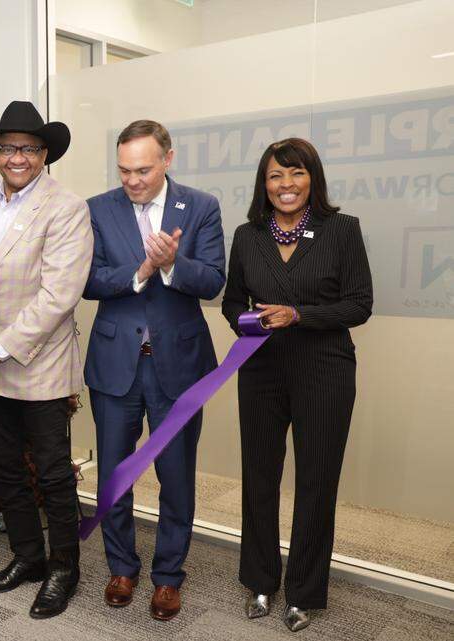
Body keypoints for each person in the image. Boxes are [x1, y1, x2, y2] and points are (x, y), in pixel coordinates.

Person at [0, 101, 92, 619]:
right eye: (8, 147)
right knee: (5, 468)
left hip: (37, 361)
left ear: (45, 154)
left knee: (51, 472)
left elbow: (59, 296)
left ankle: (64, 568)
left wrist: (1, 348)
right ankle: (28, 557)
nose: (17, 157)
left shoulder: (66, 207)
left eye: (29, 148)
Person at [222, 138, 372, 632]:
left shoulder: (342, 230)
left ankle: (304, 593)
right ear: (263, 184)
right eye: (275, 175)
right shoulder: (248, 236)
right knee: (259, 477)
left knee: (316, 481)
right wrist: (250, 321)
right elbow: (232, 303)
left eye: (296, 173)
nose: (285, 185)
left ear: (313, 179)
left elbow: (359, 304)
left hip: (325, 370)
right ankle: (261, 581)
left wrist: (298, 315)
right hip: (261, 370)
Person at [83, 120, 226, 621]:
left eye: (142, 170)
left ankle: (168, 576)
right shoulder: (97, 208)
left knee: (176, 476)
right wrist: (141, 271)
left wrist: (171, 265)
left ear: (168, 159)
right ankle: (121, 567)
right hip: (115, 364)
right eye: (124, 170)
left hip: (179, 367)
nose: (132, 180)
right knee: (114, 474)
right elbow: (89, 281)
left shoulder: (201, 206)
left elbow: (213, 281)